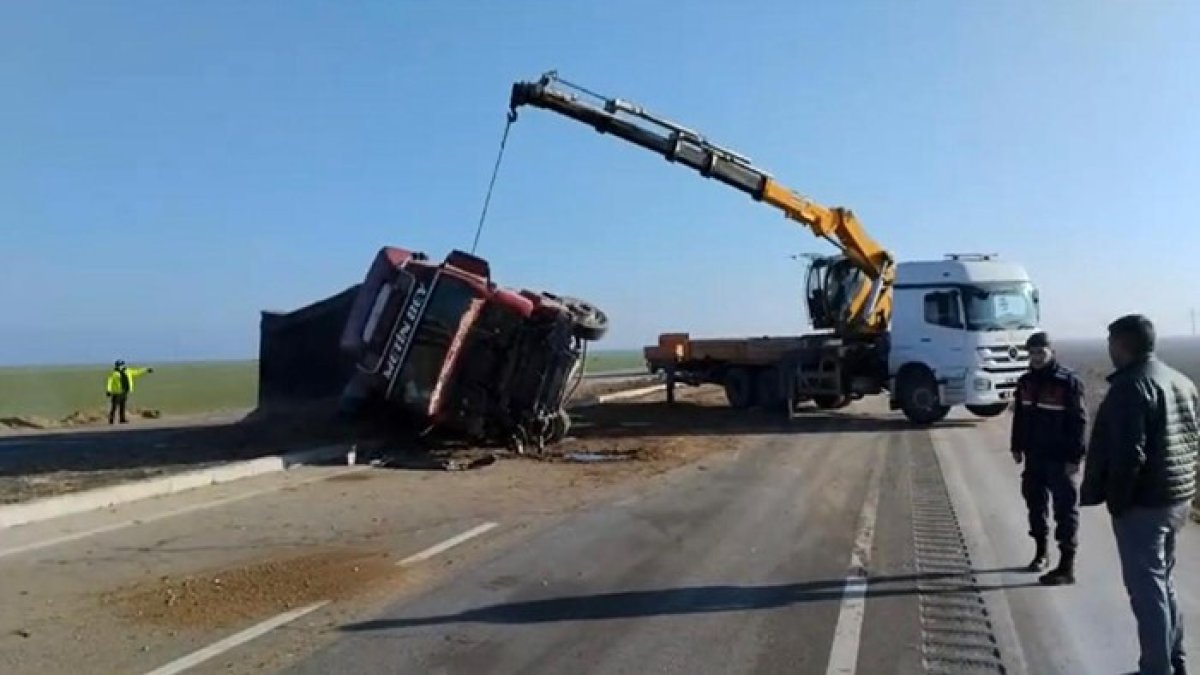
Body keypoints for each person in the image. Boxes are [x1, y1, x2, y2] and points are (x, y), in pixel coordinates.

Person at [1081, 314, 1200, 675]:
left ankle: (1156, 668)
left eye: (1111, 343)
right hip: (1176, 498)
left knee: (1147, 592)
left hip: (1144, 504)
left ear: (1123, 344)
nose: (1109, 349)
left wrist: (1117, 501)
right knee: (1162, 583)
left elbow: (1129, 454)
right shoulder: (1180, 381)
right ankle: (1173, 660)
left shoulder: (1132, 388)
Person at [1010, 331, 1087, 585]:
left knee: (1065, 511)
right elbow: (1020, 416)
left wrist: (1075, 457)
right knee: (1035, 505)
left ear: (1052, 352)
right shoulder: (1025, 382)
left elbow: (1079, 422)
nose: (1036, 358)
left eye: (1041, 352)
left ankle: (1067, 565)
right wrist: (1016, 446)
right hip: (1035, 456)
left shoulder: (1068, 382)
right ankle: (1041, 552)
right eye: (1032, 353)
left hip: (1060, 459)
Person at [105, 360, 154, 424]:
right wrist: (108, 390)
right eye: (119, 365)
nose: (121, 366)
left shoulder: (128, 371)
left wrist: (146, 370)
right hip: (116, 392)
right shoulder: (114, 373)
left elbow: (137, 372)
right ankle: (111, 419)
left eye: (122, 365)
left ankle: (122, 419)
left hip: (124, 391)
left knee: (123, 406)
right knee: (114, 407)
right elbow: (109, 382)